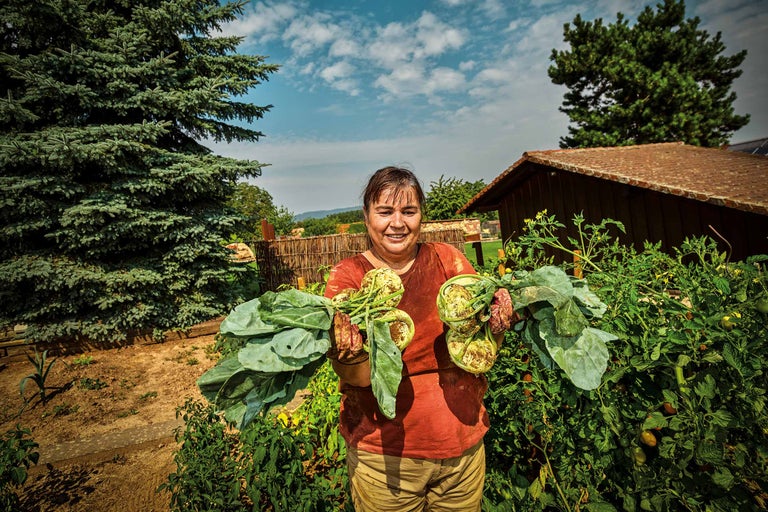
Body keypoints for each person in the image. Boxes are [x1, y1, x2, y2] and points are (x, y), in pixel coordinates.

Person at [324, 166, 518, 511]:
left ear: (421, 217)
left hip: (463, 450)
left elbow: (481, 350)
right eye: (385, 212)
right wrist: (352, 354)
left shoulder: (448, 260)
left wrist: (497, 326)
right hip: (387, 461)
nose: (397, 223)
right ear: (366, 217)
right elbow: (357, 377)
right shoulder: (349, 278)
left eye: (408, 211)